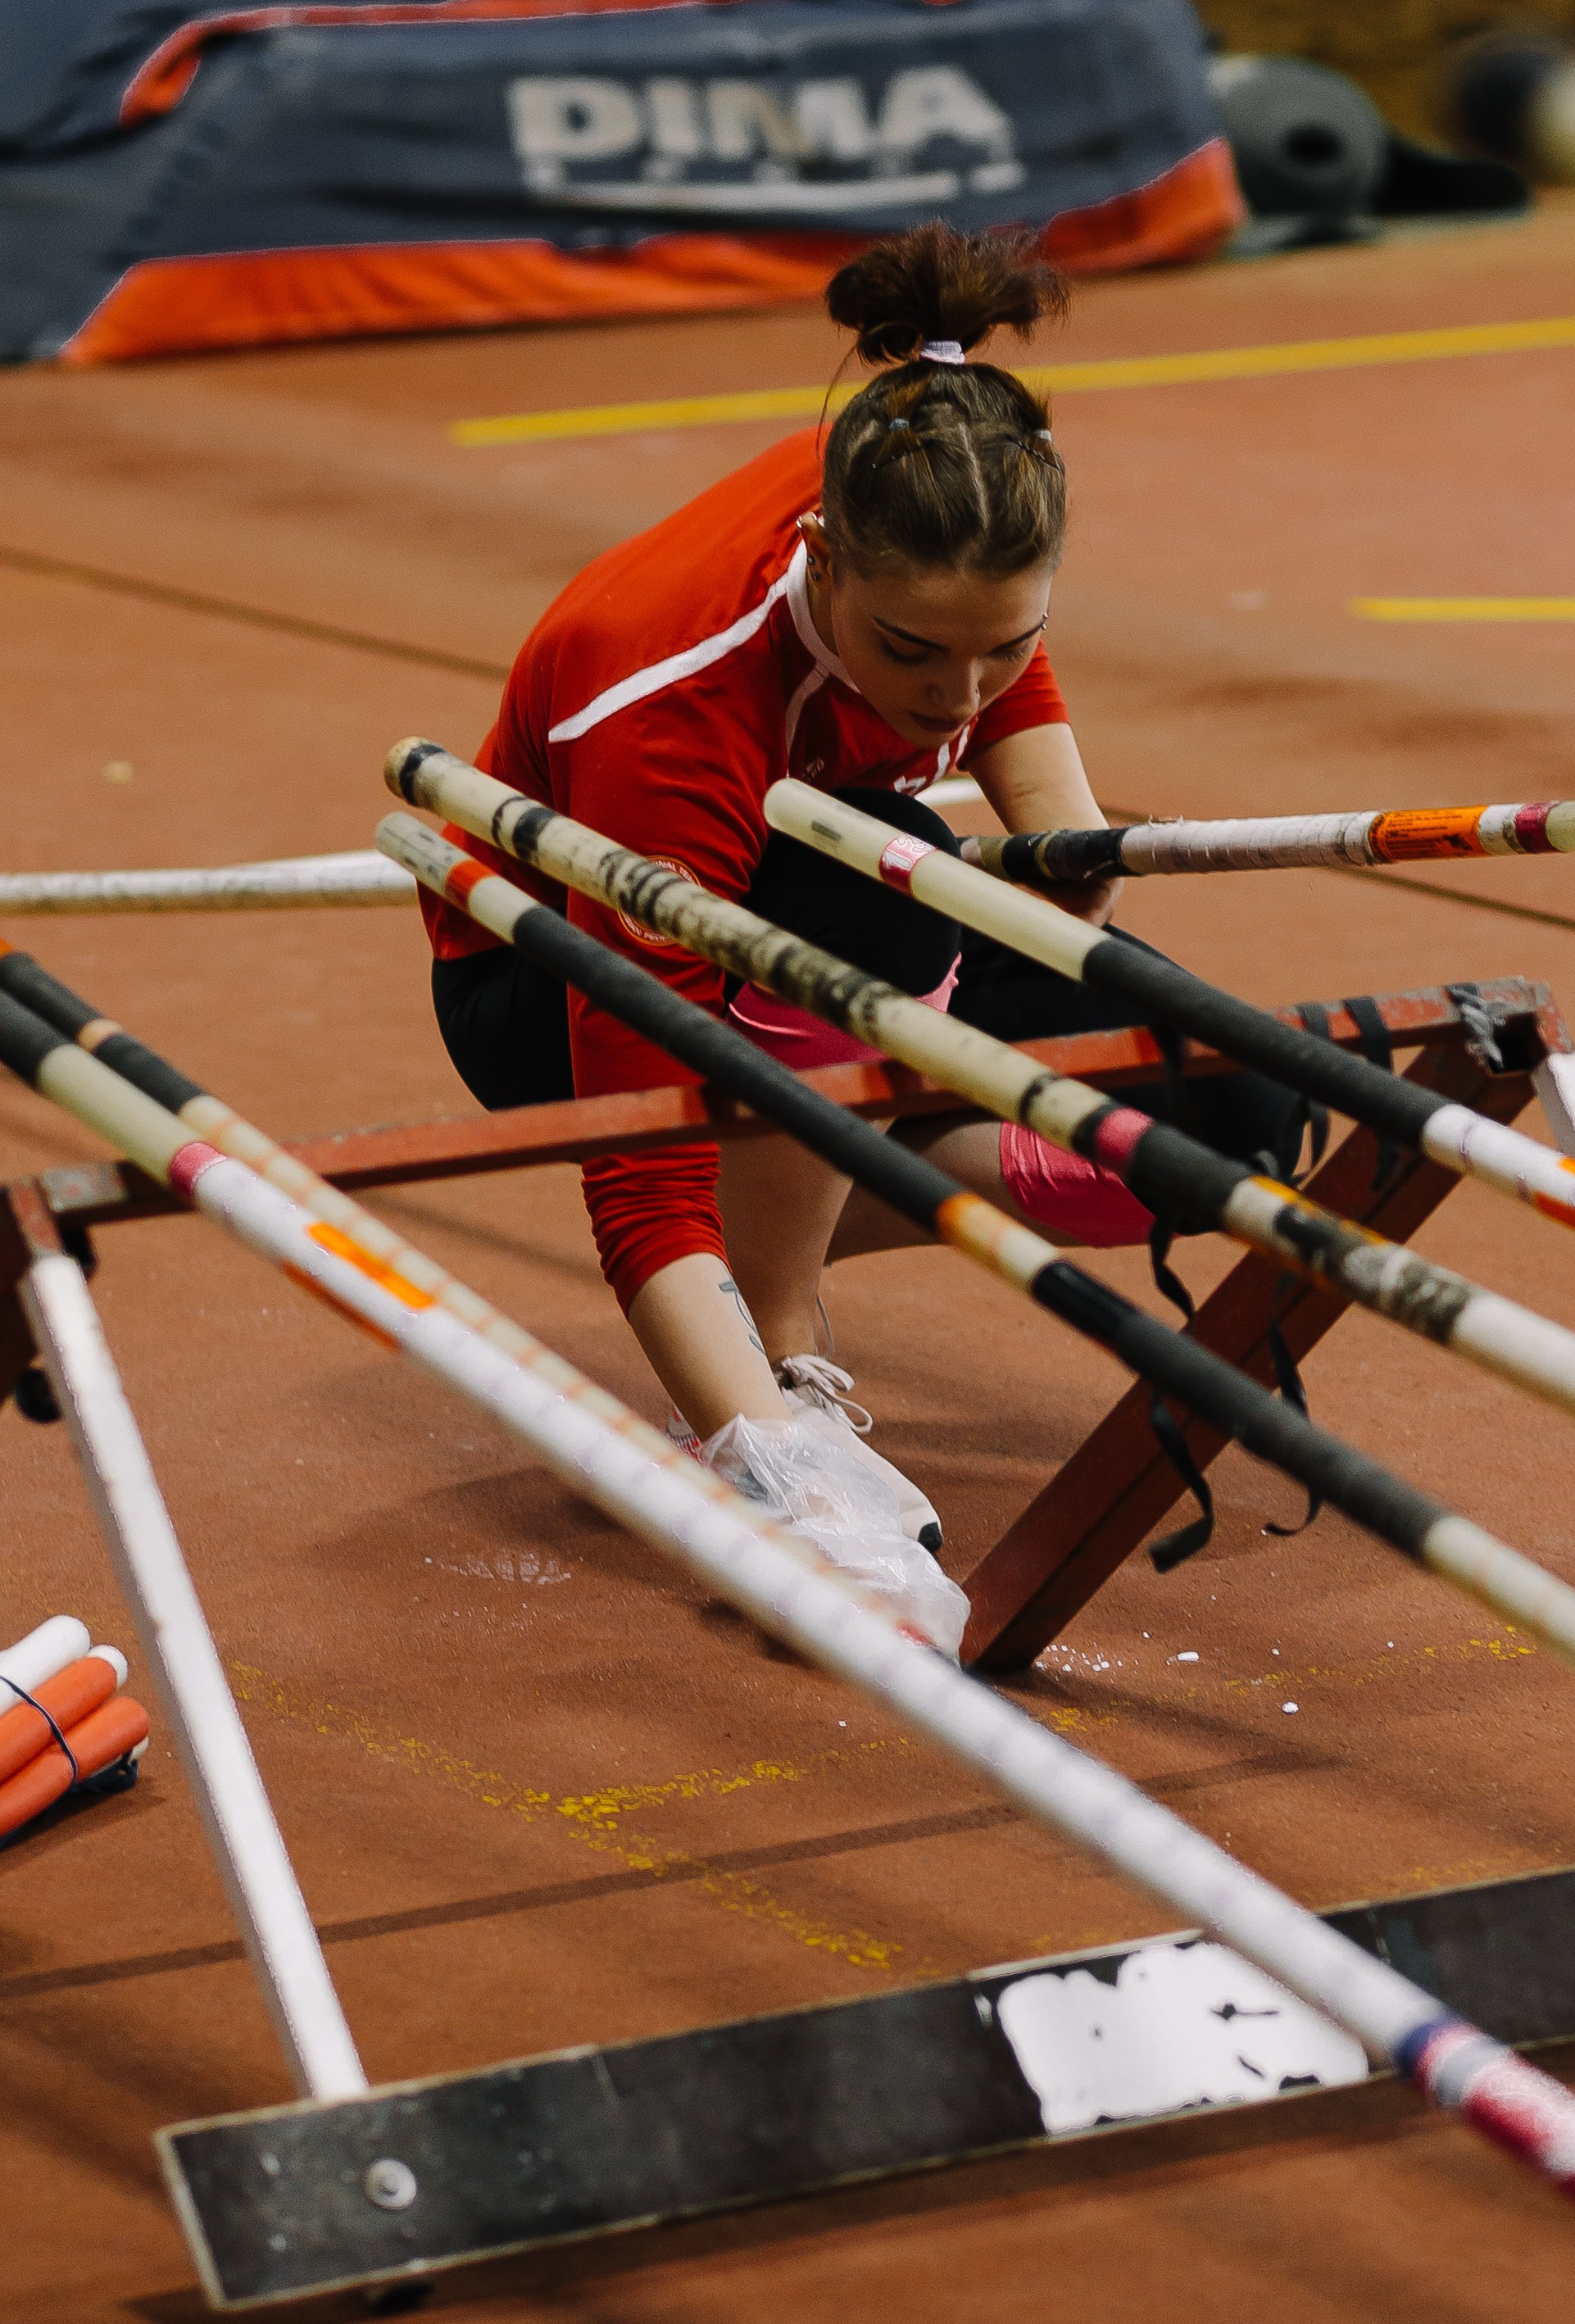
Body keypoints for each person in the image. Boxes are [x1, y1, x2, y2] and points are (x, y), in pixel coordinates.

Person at [419, 224, 1292, 1589]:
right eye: (912, 656)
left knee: (1230, 1119)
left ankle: (783, 1191)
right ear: (822, 559)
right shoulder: (667, 707)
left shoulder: (942, 490)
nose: (957, 698)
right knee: (878, 874)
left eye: (1008, 645)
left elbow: (988, 672)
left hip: (840, 940)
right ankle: (777, 1343)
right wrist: (766, 1463)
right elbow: (635, 1172)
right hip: (549, 996)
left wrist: (1064, 845)